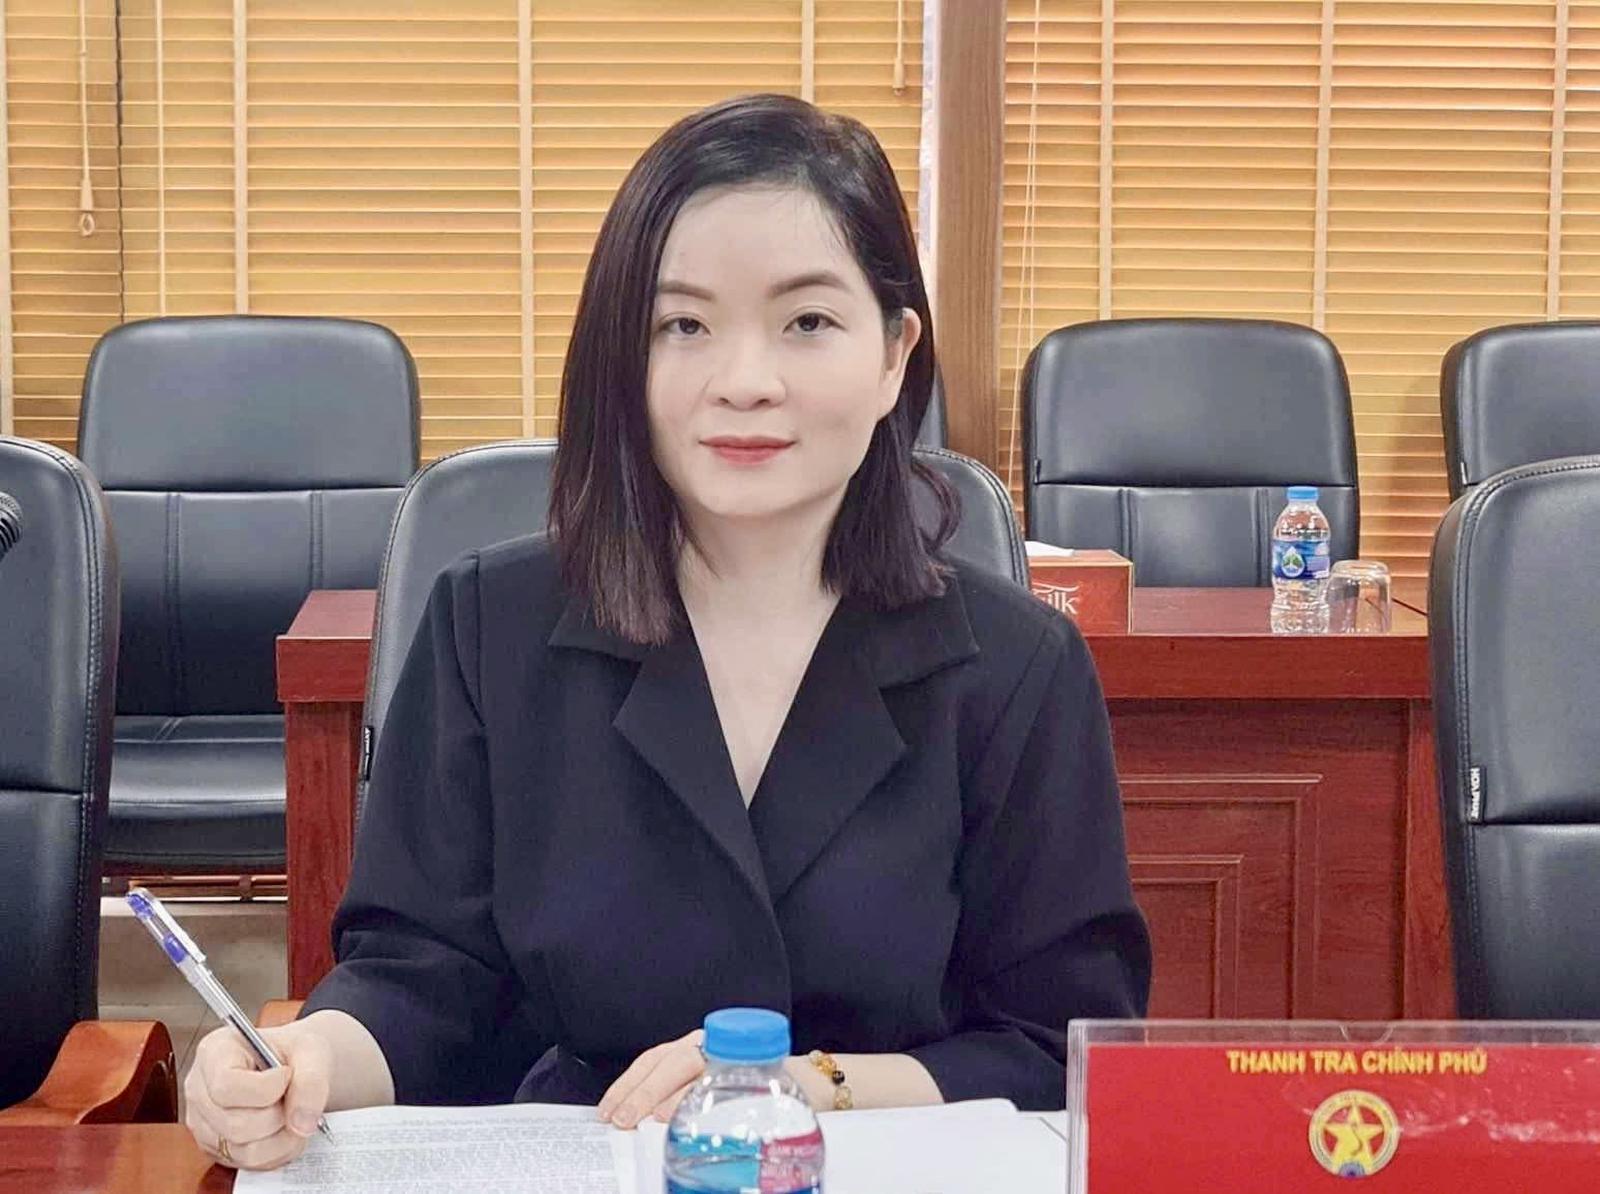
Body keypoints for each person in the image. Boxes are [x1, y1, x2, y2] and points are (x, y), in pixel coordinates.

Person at [182, 93, 1151, 1172]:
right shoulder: (489, 626)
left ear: (893, 356)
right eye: (682, 325)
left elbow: (1055, 1048)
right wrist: (302, 1061)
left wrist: (806, 1089)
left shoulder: (1017, 668)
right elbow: (421, 980)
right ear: (623, 357)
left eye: (807, 322)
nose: (745, 382)